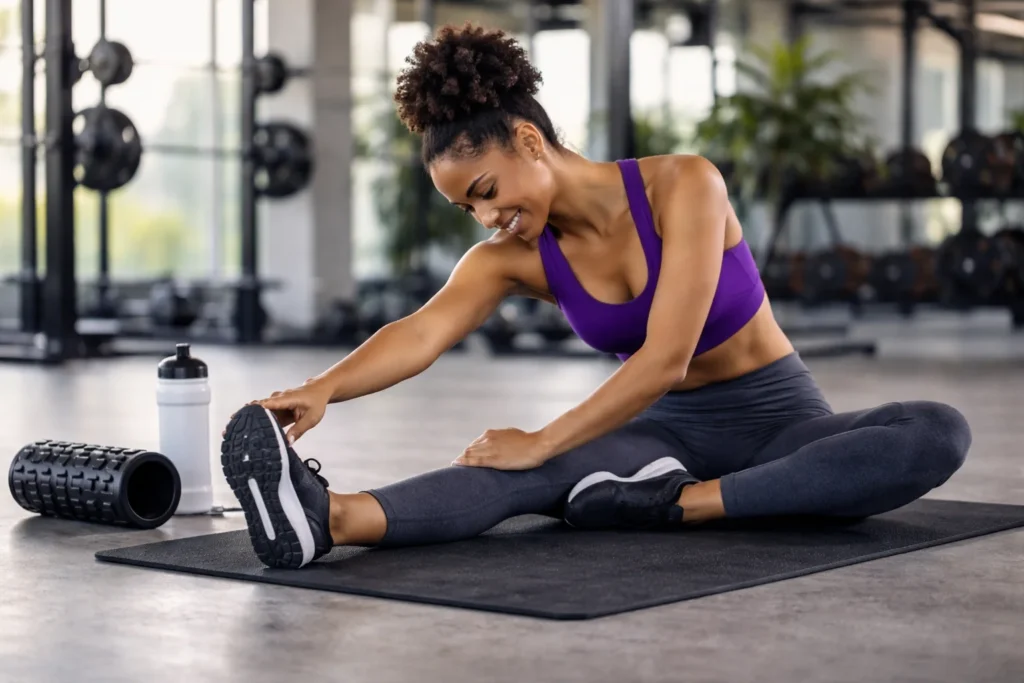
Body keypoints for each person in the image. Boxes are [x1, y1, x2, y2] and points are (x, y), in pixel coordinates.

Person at [220, 24, 972, 570]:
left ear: (530, 140)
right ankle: (329, 518)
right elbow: (420, 331)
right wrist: (320, 389)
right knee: (524, 473)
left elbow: (668, 357)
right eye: (467, 210)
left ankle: (685, 504)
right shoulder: (512, 258)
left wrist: (548, 437)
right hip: (660, 440)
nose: (486, 218)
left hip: (779, 426)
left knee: (935, 431)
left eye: (486, 191)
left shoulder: (684, 185)